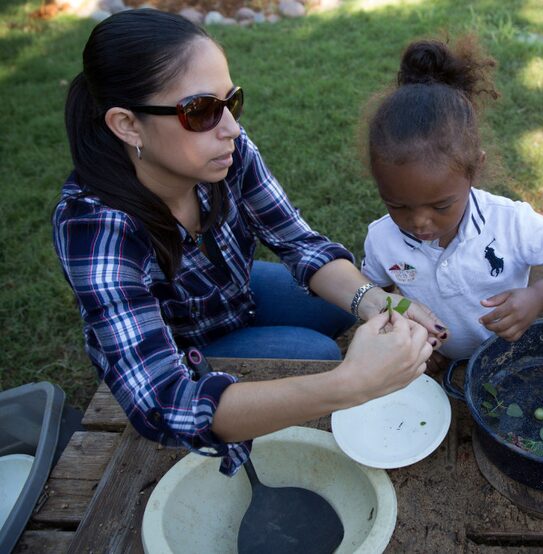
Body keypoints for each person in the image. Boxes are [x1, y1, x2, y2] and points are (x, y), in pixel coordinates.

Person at [53, 9, 446, 476]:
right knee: (317, 357)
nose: (231, 128)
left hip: (231, 295)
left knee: (348, 303)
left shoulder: (222, 151)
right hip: (180, 347)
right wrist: (350, 383)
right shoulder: (96, 229)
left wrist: (377, 301)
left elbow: (297, 241)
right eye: (200, 111)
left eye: (230, 102)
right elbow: (163, 405)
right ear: (128, 125)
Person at [360, 36, 543, 370]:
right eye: (397, 205)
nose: (419, 222)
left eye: (440, 206)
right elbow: (377, 290)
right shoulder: (382, 239)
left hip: (509, 359)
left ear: (475, 170)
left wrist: (538, 297)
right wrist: (409, 331)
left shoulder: (510, 223)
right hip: (437, 362)